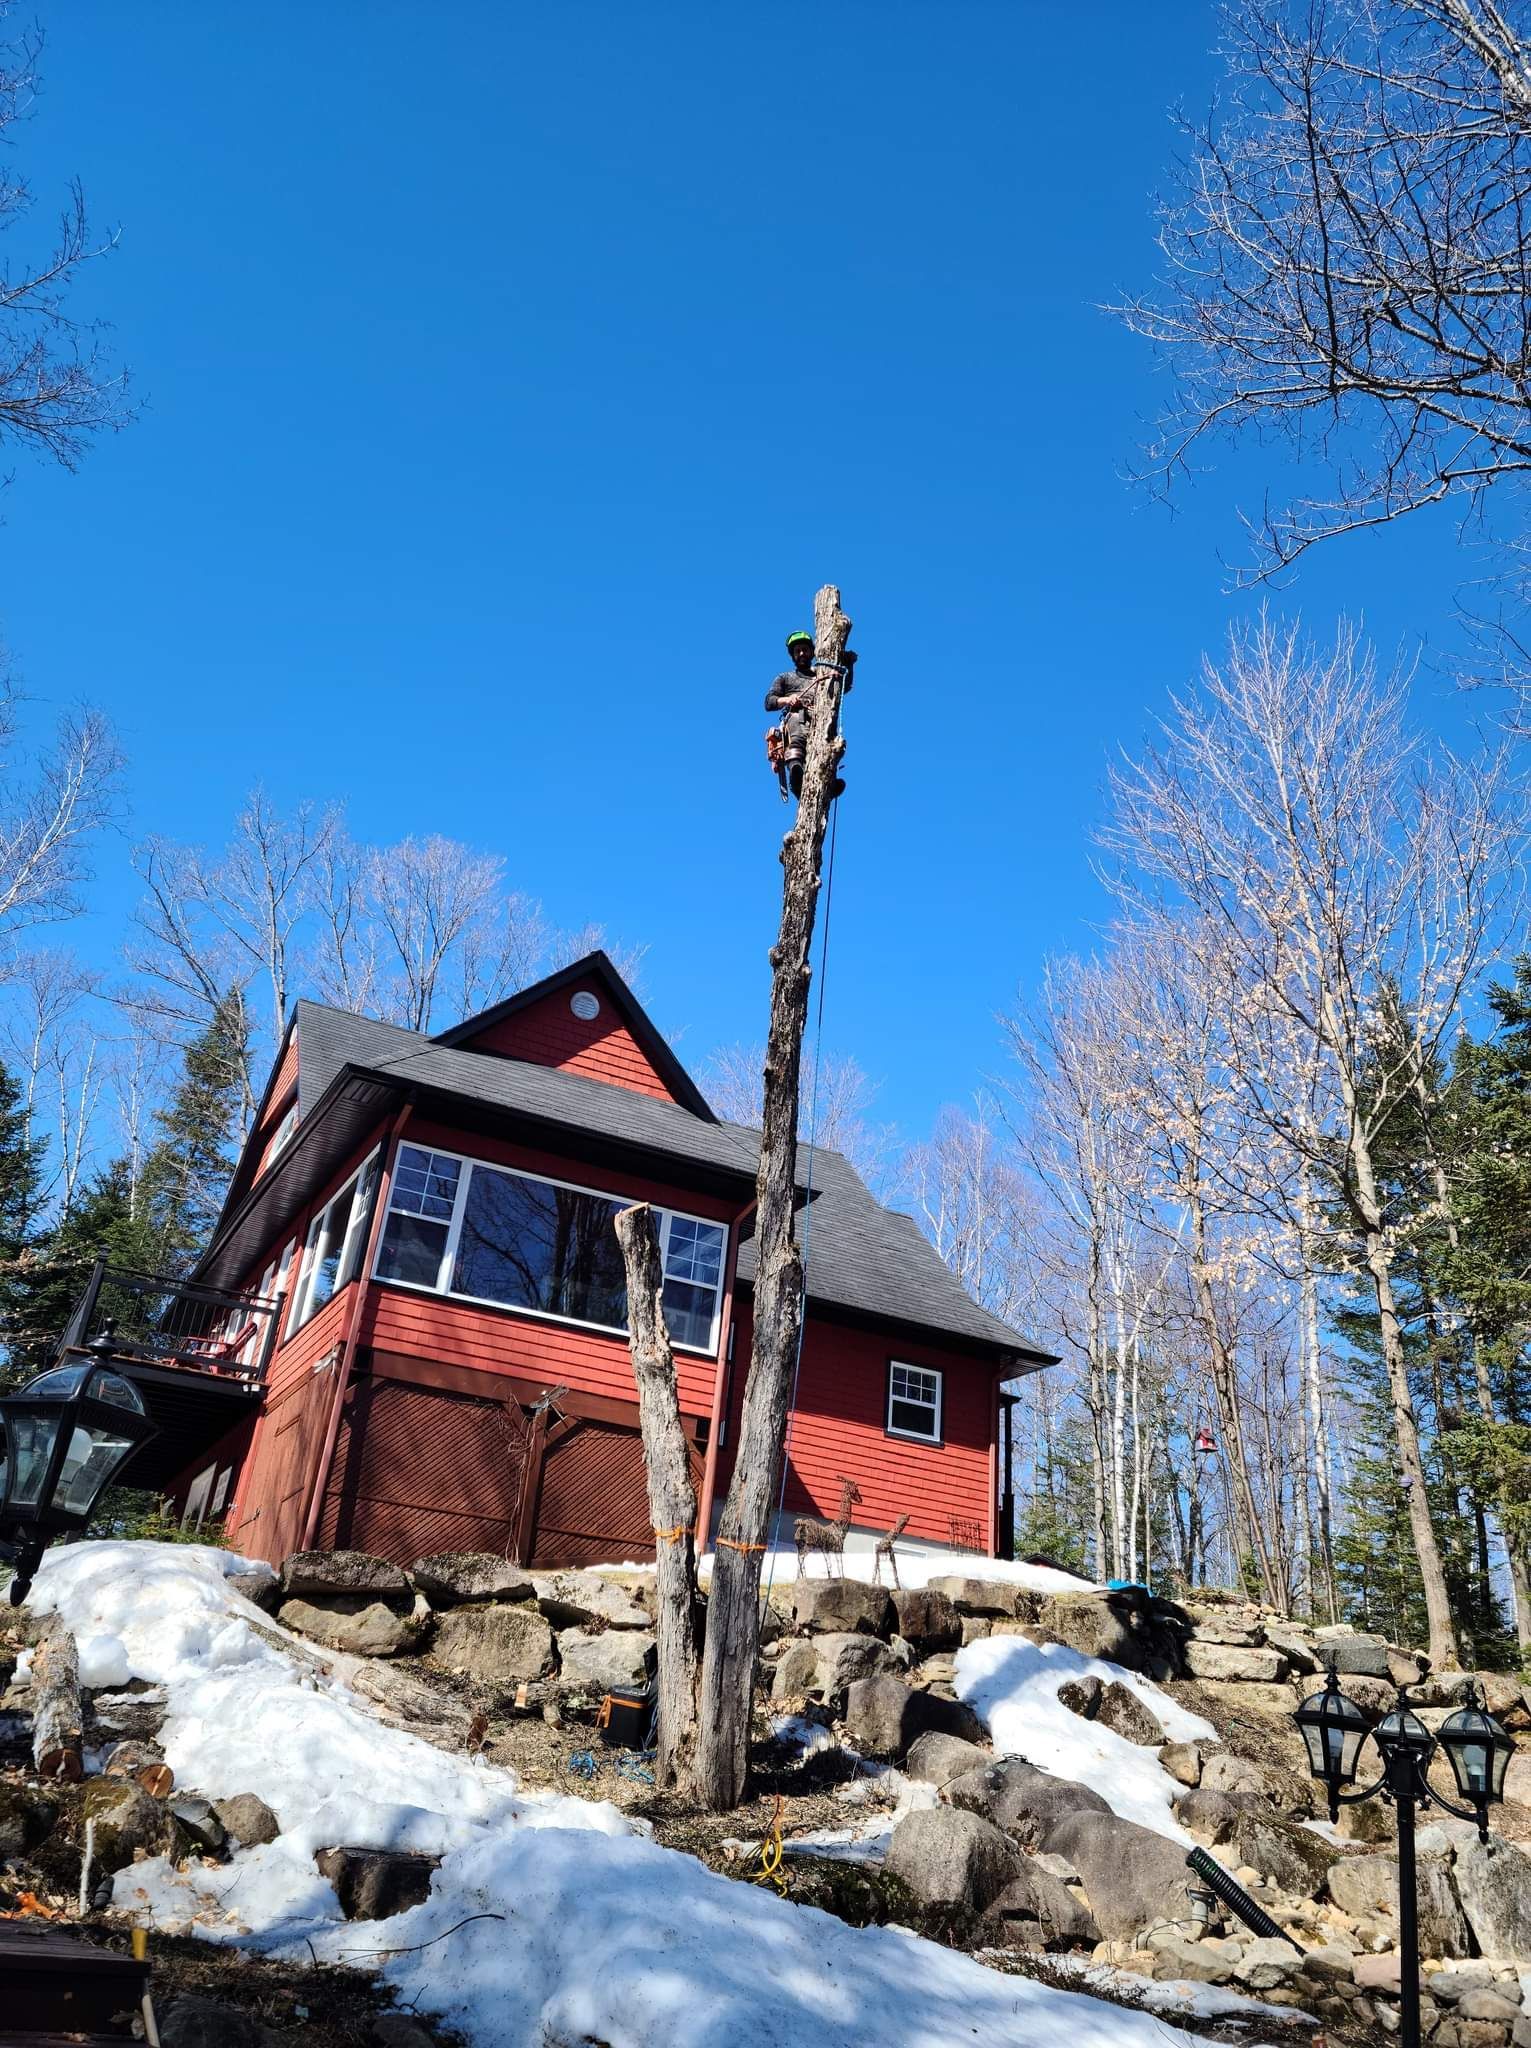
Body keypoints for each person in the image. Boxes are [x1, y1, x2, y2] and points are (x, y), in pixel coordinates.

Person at [765, 631, 852, 799]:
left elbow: (843, 688)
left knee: (825, 740)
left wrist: (849, 666)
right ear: (793, 656)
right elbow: (769, 702)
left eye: (805, 650)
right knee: (798, 724)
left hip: (821, 719)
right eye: (797, 651)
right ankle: (796, 771)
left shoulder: (822, 674)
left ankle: (827, 779)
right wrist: (788, 700)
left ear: (812, 652)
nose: (802, 654)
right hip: (797, 717)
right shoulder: (785, 678)